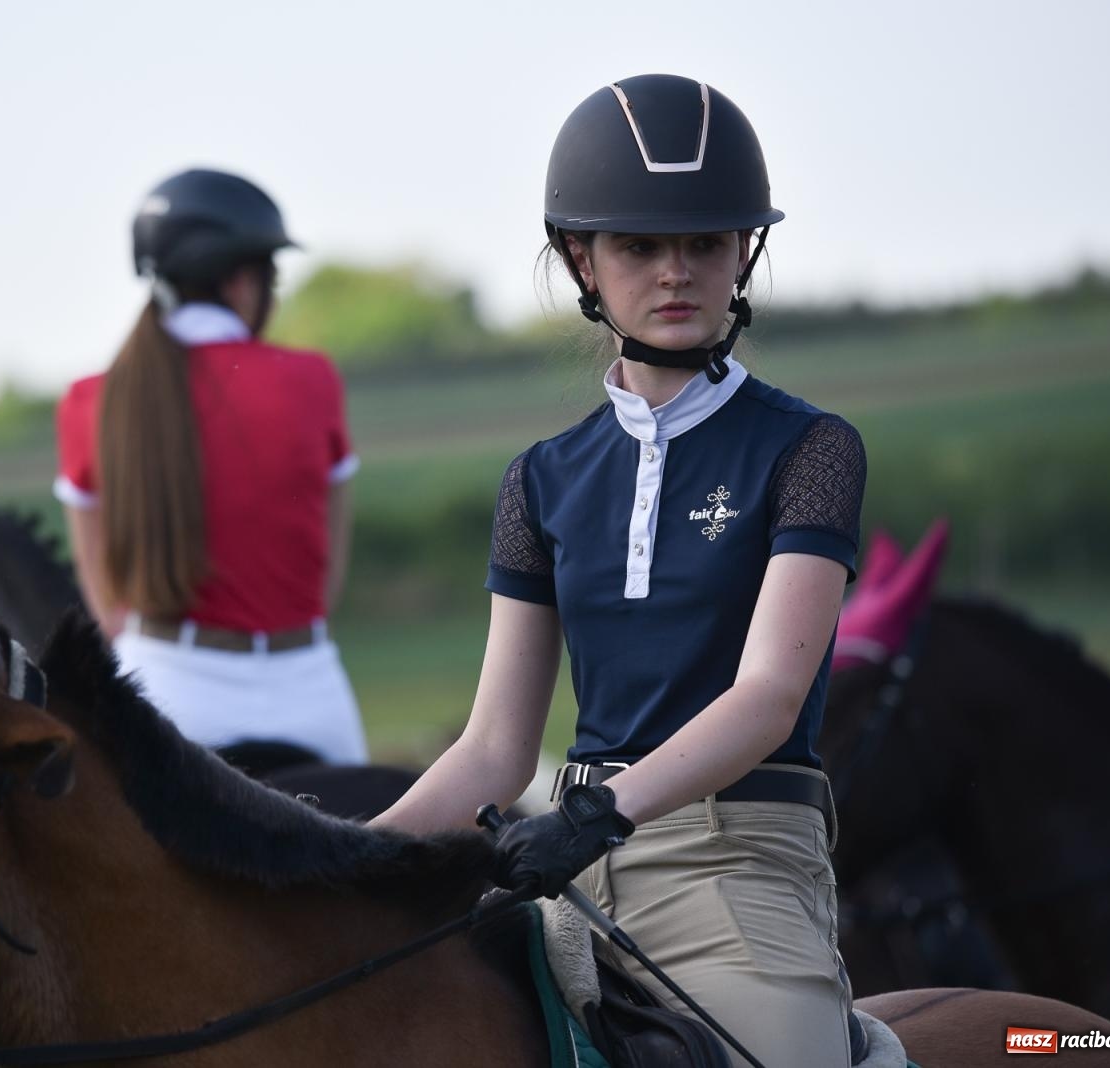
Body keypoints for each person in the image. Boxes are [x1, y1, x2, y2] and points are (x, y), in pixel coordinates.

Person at [374, 74, 866, 1066]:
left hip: (738, 875)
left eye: (705, 244)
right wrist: (350, 852)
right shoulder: (542, 481)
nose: (675, 272)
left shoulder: (809, 449)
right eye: (640, 246)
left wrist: (598, 814)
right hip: (564, 883)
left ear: (743, 256)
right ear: (581, 261)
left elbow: (769, 695)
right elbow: (493, 753)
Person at [54, 168, 367, 765]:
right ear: (244, 280)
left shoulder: (88, 402)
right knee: (376, 849)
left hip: (161, 693)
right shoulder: (311, 381)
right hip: (306, 688)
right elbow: (327, 573)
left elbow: (105, 600)